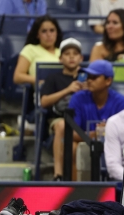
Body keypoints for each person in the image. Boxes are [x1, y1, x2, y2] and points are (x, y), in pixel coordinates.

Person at [52, 59, 124, 181]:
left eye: (94, 77)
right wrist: (94, 134)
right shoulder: (78, 97)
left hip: (112, 144)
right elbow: (70, 133)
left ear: (108, 80)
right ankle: (72, 188)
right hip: (84, 141)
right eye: (88, 77)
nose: (89, 80)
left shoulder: (120, 101)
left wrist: (106, 132)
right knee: (71, 146)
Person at [39, 38, 84, 178]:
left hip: (81, 120)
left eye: (75, 53)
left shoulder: (87, 78)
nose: (71, 56)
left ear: (81, 58)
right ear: (60, 59)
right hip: (58, 118)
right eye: (67, 54)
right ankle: (57, 173)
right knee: (62, 125)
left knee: (75, 148)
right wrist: (68, 90)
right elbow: (44, 101)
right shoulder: (53, 78)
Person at [13, 15, 63, 86]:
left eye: (52, 30)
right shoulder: (30, 49)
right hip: (43, 93)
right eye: (44, 31)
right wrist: (39, 80)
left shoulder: (63, 51)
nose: (49, 35)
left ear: (57, 33)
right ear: (37, 35)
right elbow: (17, 76)